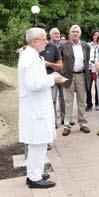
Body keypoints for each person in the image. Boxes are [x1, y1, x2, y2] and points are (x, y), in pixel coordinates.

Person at [18, 27, 63, 188]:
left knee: (39, 143)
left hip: (36, 107)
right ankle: (34, 178)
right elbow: (33, 84)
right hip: (35, 109)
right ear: (34, 41)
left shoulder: (32, 55)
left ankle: (34, 172)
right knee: (38, 143)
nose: (47, 41)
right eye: (44, 38)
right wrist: (53, 79)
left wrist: (49, 77)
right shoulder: (29, 58)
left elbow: (36, 79)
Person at [60, 25, 91, 136]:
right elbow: (60, 61)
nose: (75, 33)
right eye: (73, 31)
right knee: (68, 102)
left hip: (81, 75)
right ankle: (67, 125)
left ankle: (82, 123)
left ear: (80, 33)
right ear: (70, 33)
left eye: (77, 31)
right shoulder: (63, 46)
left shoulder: (86, 46)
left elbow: (87, 61)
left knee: (82, 100)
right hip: (68, 76)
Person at [86, 30, 99, 112]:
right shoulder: (88, 45)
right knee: (88, 87)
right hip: (89, 68)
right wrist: (90, 62)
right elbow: (85, 56)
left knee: (98, 87)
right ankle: (89, 104)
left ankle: (98, 104)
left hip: (98, 69)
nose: (96, 36)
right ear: (92, 36)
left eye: (98, 35)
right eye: (95, 35)